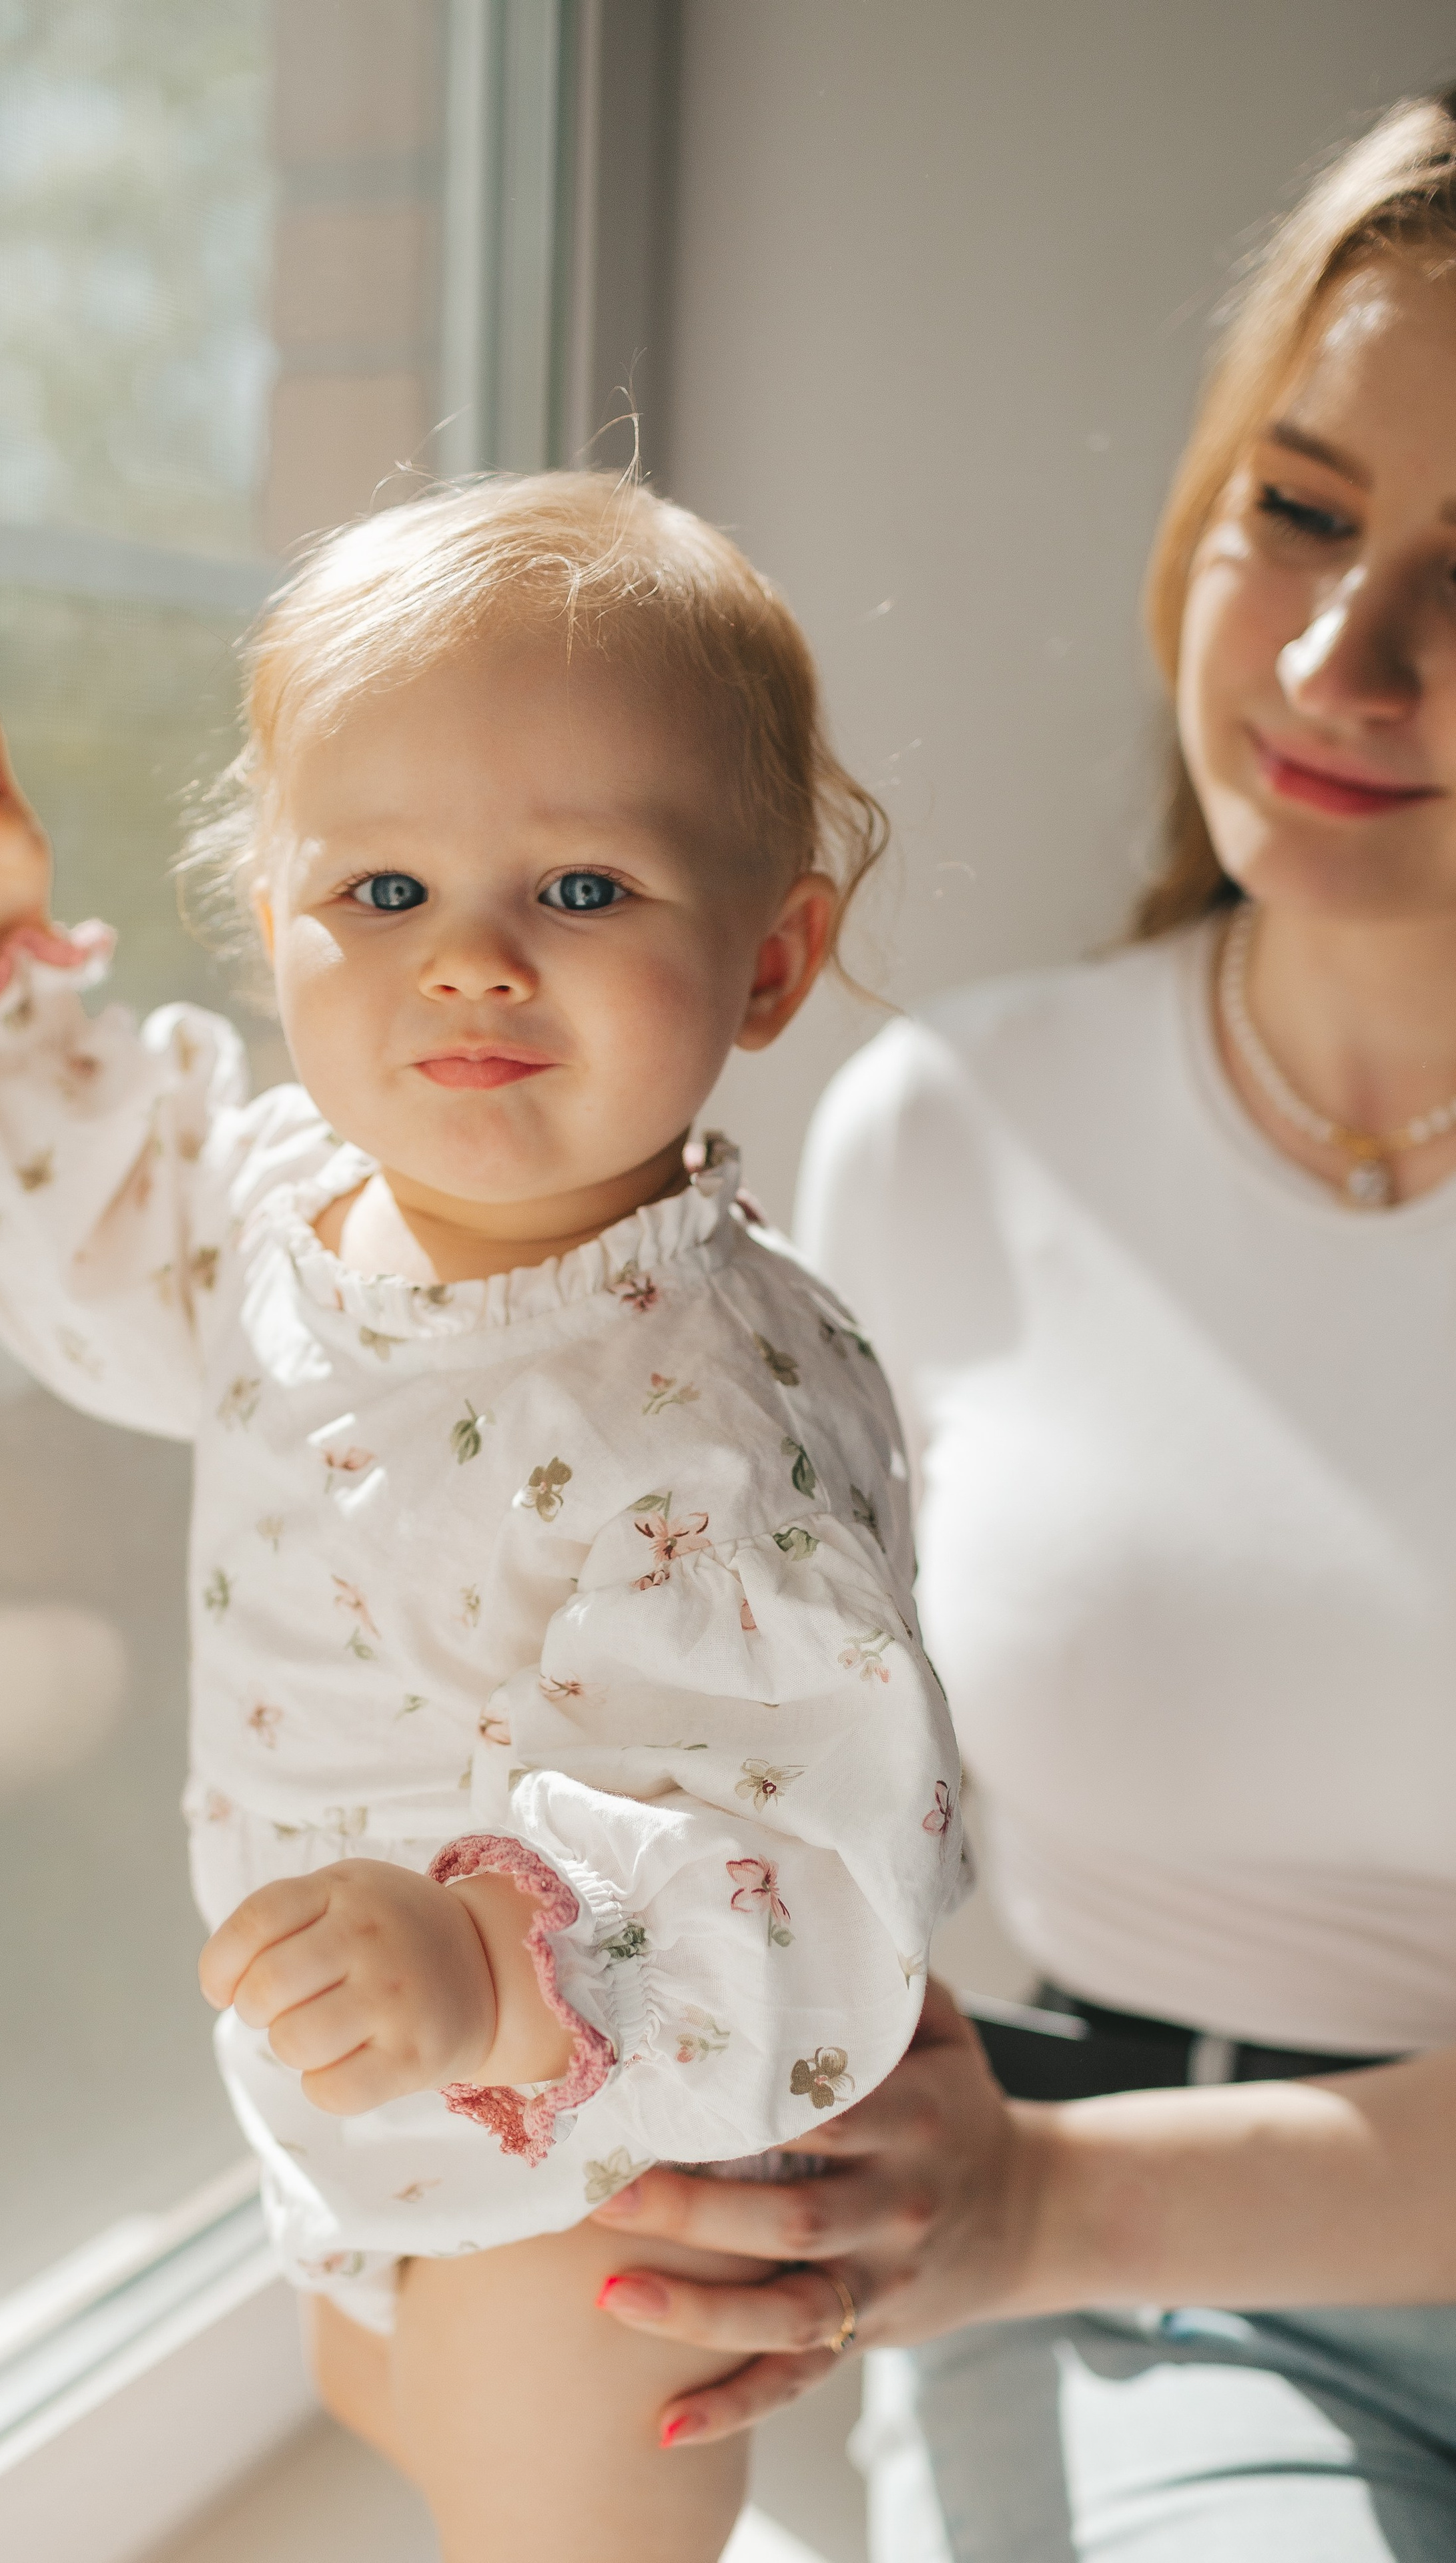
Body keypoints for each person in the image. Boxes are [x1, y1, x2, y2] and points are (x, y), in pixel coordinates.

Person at [0, 474, 964, 2563]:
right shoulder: (284, 1208)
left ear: (771, 960)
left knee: (552, 2515)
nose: (465, 961)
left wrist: (497, 1963)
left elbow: (817, 1843)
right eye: (381, 892)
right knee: (391, 2423)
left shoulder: (700, 1426)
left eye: (581, 889)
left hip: (599, 2161)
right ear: (271, 912)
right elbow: (97, 1235)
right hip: (352, 2105)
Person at [590, 87, 1456, 2562]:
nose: (1345, 657)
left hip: (1071, 2214)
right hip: (1154, 2327)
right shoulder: (952, 1131)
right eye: (1302, 509)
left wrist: (1042, 2201)